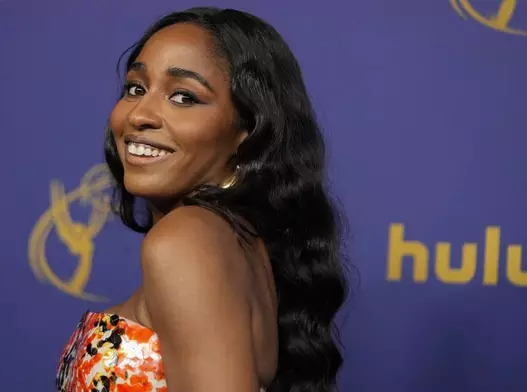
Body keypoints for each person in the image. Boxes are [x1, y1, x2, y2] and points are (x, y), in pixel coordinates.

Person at [56, 7, 348, 392]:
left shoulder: (187, 240)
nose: (140, 114)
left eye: (183, 97)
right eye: (135, 88)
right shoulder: (233, 239)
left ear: (248, 131)